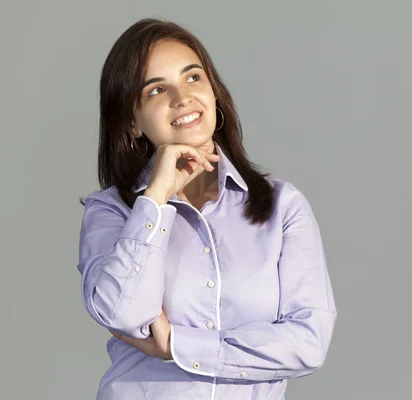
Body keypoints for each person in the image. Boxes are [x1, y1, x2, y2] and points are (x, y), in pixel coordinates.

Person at [76, 18, 337, 400]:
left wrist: (178, 346)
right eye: (156, 89)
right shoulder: (110, 212)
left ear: (215, 94)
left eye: (193, 78)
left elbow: (309, 343)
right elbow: (124, 314)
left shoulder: (283, 207)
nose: (182, 98)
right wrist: (158, 196)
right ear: (132, 122)